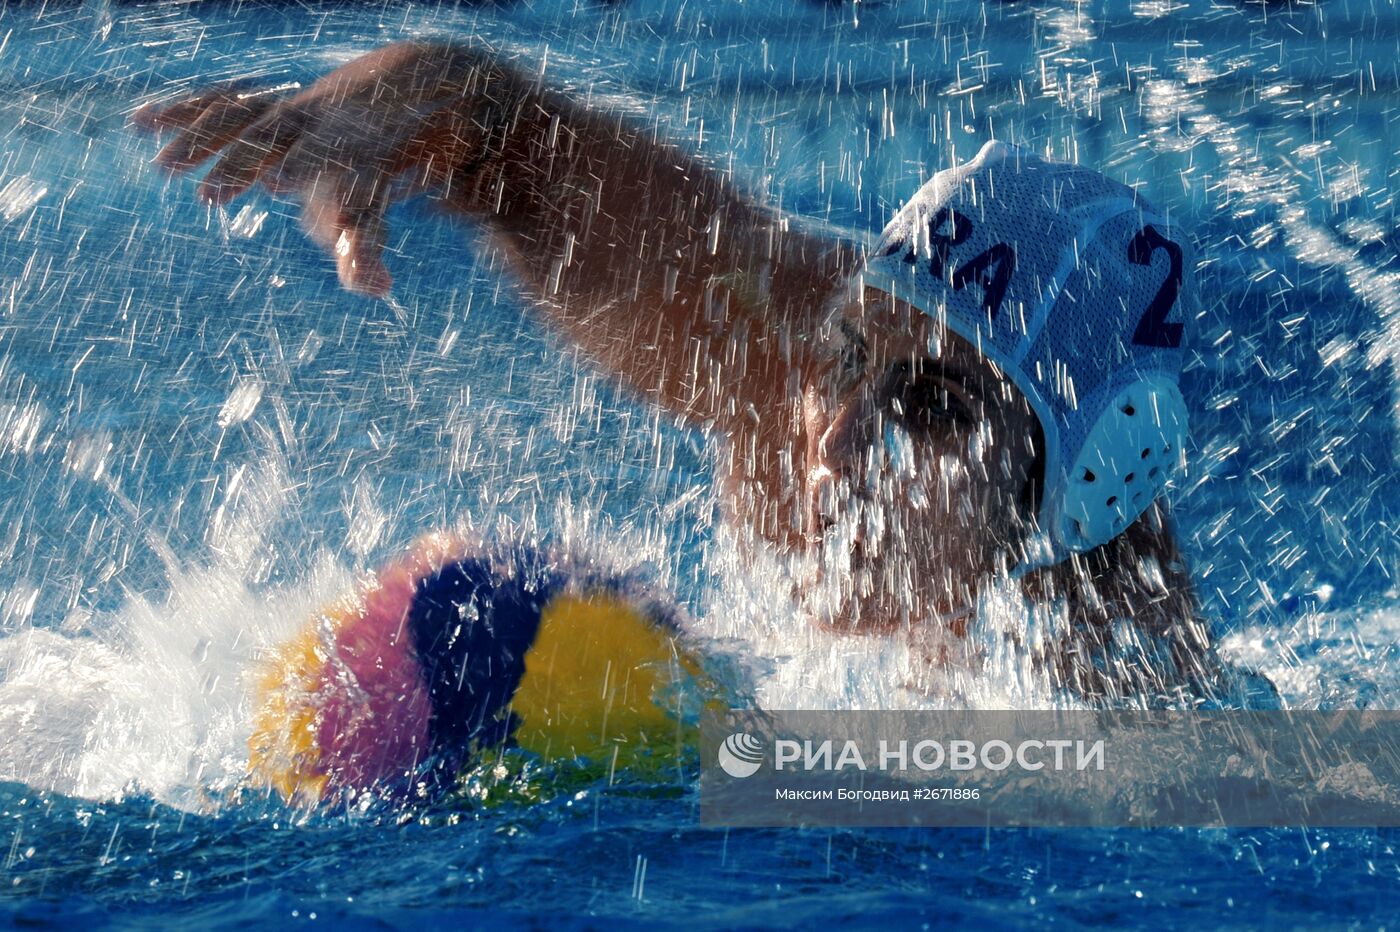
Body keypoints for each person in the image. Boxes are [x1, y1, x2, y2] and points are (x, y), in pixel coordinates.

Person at [134, 40, 1223, 714]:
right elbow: (506, 124)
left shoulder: (1130, 729)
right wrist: (357, 124)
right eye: (847, 355)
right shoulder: (773, 331)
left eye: (931, 408)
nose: (836, 437)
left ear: (1064, 496)